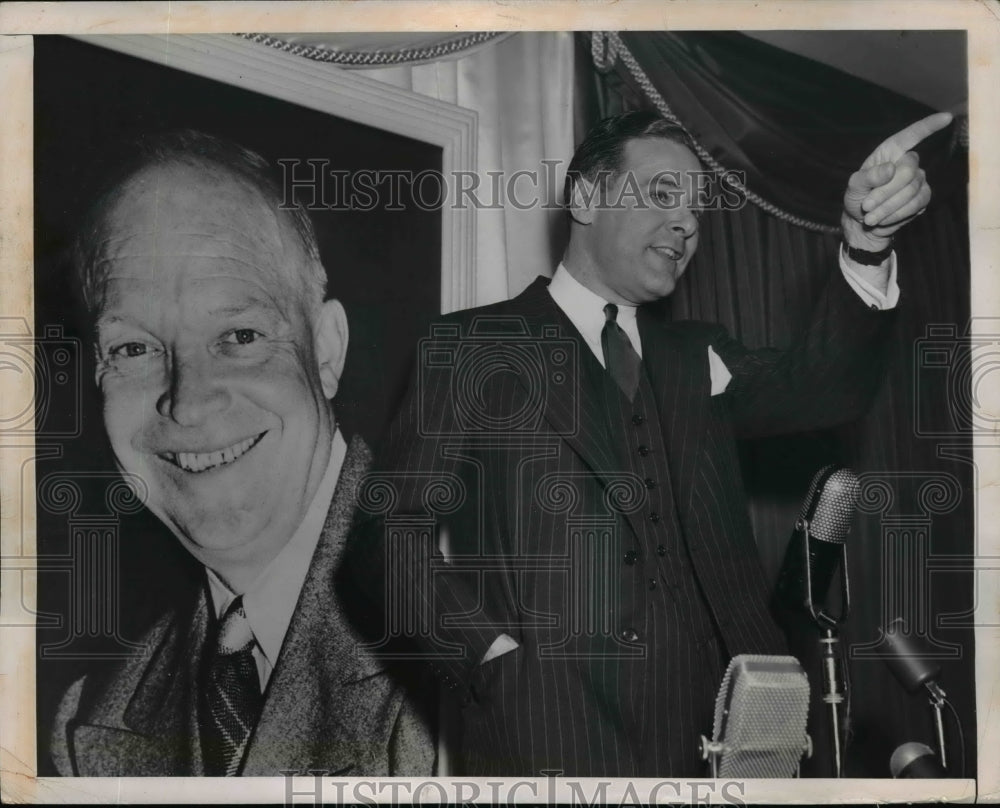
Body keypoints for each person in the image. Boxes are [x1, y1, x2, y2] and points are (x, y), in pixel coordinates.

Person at [350, 109, 952, 776]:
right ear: (586, 198)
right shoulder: (473, 346)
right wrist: (487, 655)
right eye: (664, 194)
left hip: (734, 738)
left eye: (696, 208)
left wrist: (866, 246)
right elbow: (383, 533)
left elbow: (826, 388)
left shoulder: (698, 354)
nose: (687, 222)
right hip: (550, 733)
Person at [48, 131, 435, 777]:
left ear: (327, 350)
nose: (188, 402)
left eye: (239, 334)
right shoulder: (90, 722)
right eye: (134, 349)